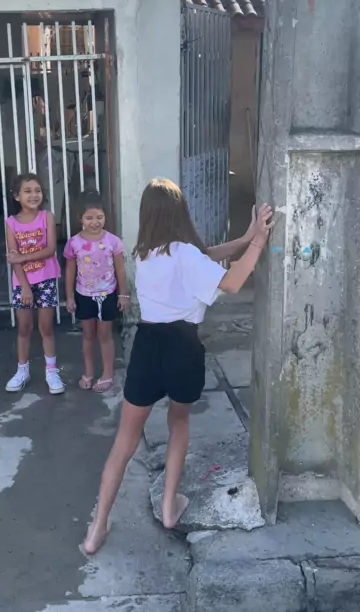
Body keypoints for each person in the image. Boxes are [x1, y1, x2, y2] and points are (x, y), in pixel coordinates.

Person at [83, 177, 274, 554]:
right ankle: (170, 508)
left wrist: (245, 236)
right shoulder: (186, 255)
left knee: (124, 441)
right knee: (179, 423)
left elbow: (206, 255)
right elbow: (231, 282)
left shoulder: (144, 253)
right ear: (179, 212)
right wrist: (258, 241)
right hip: (183, 347)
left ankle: (96, 529)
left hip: (147, 346)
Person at [5, 173, 65, 395]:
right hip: (22, 283)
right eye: (27, 191)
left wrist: (23, 257)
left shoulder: (47, 217)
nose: (33, 195)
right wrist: (25, 287)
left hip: (46, 279)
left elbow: (50, 249)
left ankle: (51, 371)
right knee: (24, 328)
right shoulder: (11, 223)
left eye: (37, 190)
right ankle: (22, 370)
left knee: (46, 327)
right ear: (17, 196)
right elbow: (13, 258)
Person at [64, 190, 128, 393]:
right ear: (80, 219)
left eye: (99, 217)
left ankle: (108, 373)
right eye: (89, 218)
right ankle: (89, 372)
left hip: (107, 294)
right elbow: (70, 272)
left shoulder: (113, 242)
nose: (95, 222)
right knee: (88, 335)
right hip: (84, 295)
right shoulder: (74, 243)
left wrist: (123, 295)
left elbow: (120, 270)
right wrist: (69, 297)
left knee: (105, 335)